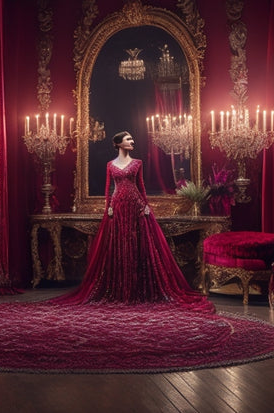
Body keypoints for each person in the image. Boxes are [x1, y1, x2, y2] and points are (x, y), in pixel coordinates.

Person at [54, 131, 213, 312]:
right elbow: (108, 188)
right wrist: (109, 207)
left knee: (139, 246)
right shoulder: (110, 165)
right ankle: (119, 289)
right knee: (118, 244)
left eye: (132, 138)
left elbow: (141, 186)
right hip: (118, 207)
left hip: (136, 207)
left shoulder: (137, 163)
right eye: (128, 139)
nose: (132, 141)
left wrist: (146, 205)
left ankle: (140, 289)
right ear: (119, 143)